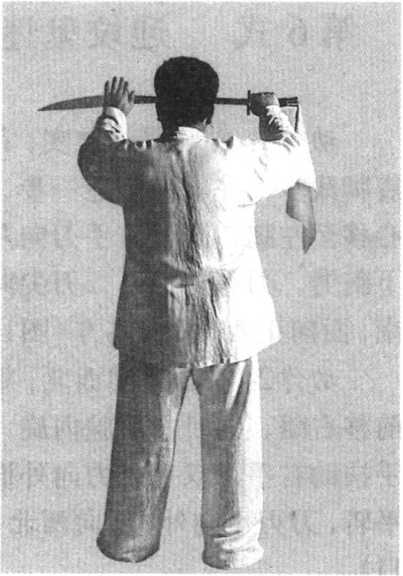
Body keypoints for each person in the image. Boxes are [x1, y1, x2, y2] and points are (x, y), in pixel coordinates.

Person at [77, 56, 316, 570]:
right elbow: (293, 154)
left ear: (158, 108)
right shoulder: (238, 159)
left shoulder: (135, 162)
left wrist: (114, 113)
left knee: (142, 442)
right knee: (235, 444)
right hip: (231, 326)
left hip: (154, 326)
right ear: (210, 110)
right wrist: (270, 112)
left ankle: (128, 542)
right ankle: (232, 549)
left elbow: (94, 159)